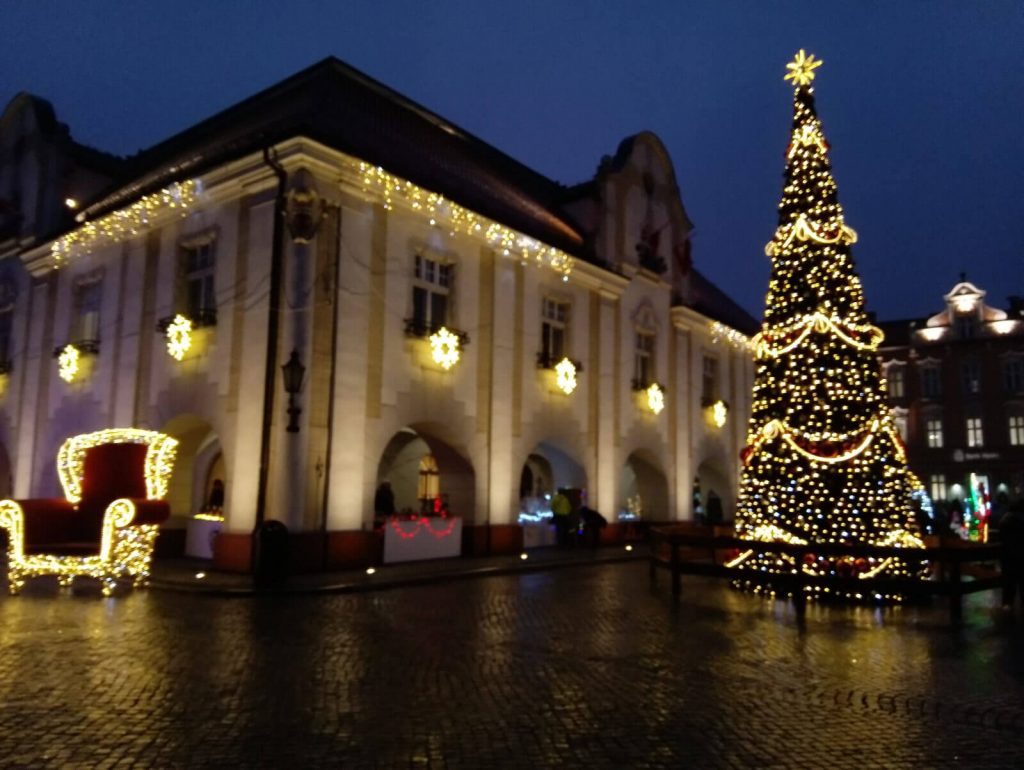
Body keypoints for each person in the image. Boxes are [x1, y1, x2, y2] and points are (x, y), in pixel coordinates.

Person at [996, 503, 1024, 610]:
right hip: (1020, 555)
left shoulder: (1004, 520)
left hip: (1007, 556)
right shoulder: (1020, 521)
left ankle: (1007, 603)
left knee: (1009, 581)